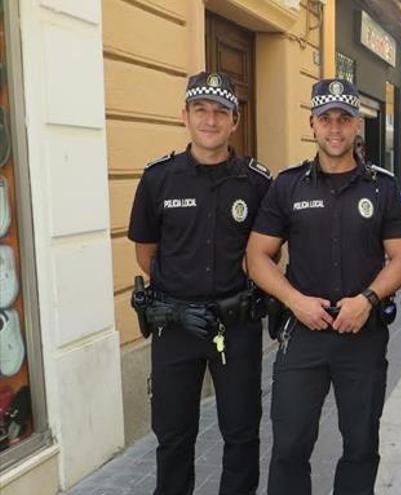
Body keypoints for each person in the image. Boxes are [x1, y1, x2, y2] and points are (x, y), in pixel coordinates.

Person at [245, 78, 401, 495]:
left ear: (357, 124)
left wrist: (368, 299)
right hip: (304, 332)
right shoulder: (287, 186)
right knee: (289, 445)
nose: (335, 128)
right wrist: (294, 300)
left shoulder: (383, 187)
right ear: (313, 124)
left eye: (344, 119)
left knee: (360, 446)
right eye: (326, 119)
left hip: (363, 334)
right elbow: (256, 257)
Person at [128, 71, 271, 494]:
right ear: (185, 116)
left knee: (242, 435)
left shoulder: (257, 182)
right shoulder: (158, 179)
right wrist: (177, 296)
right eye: (201, 110)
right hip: (174, 327)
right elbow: (146, 251)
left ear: (235, 121)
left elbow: (267, 252)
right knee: (173, 438)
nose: (210, 120)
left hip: (236, 325)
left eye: (220, 112)